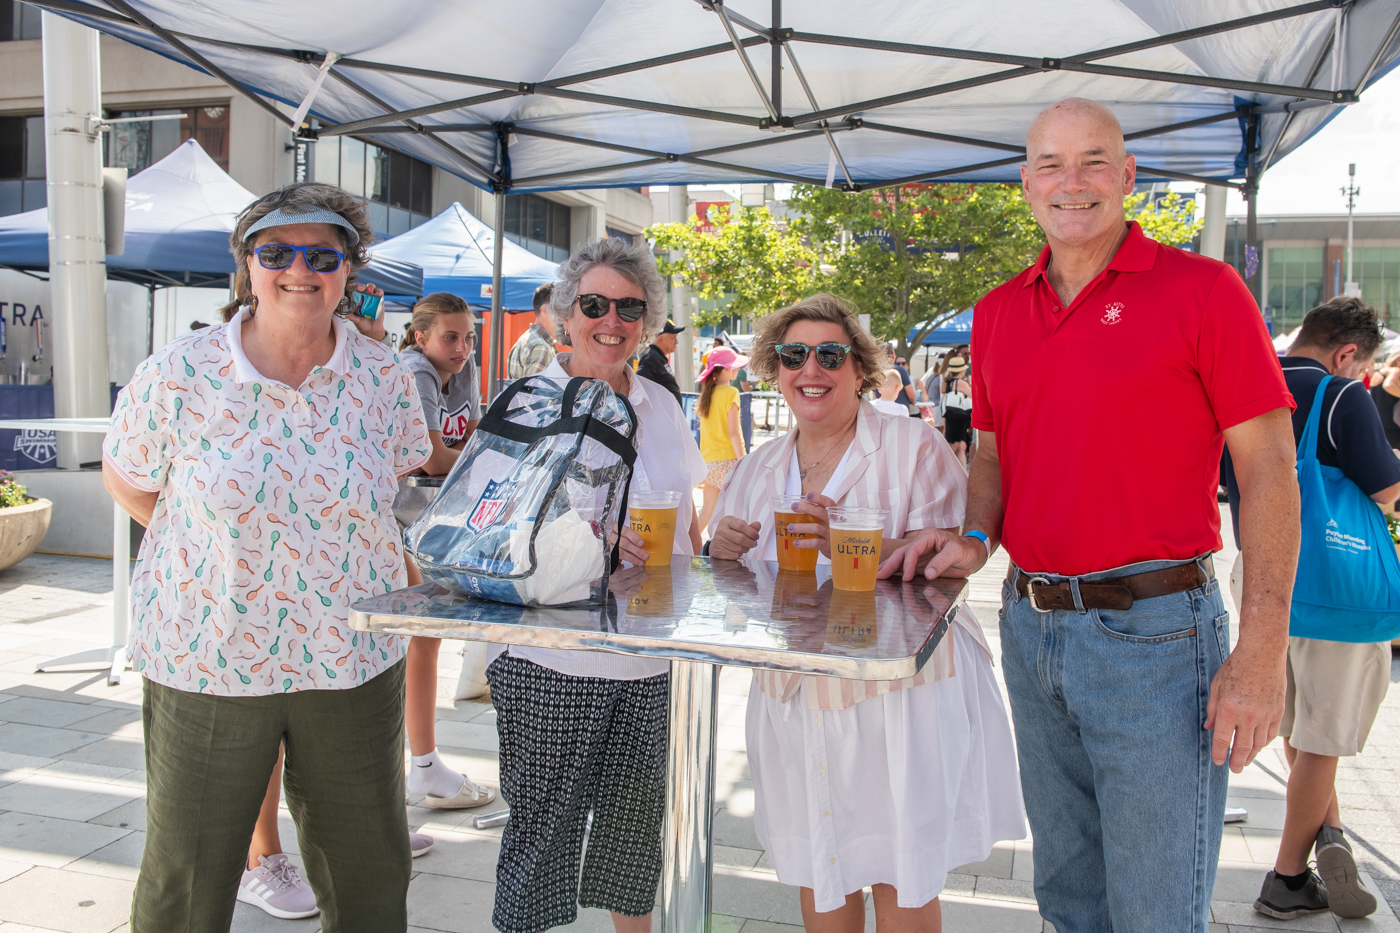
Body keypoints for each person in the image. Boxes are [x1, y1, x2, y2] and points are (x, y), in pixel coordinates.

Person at [881, 98, 1301, 933]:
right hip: (1032, 627)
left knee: (1155, 913)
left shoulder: (1204, 291)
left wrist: (1262, 652)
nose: (1071, 182)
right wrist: (974, 539)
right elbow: (993, 455)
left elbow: (1270, 470)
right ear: (1026, 183)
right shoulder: (998, 311)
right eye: (1050, 164)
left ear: (1128, 175)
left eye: (1093, 161)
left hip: (1158, 637)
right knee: (1069, 902)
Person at [103, 181, 433, 932]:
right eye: (276, 253)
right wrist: (213, 543)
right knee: (186, 877)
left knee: (369, 870)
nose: (300, 270)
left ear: (349, 270)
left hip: (349, 657)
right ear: (247, 266)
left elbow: (395, 479)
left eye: (323, 255)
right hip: (209, 655)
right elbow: (126, 478)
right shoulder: (180, 371)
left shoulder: (382, 375)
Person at [708, 294, 1024, 933]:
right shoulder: (759, 467)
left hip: (897, 700)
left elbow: (954, 559)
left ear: (860, 370)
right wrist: (722, 552)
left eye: (830, 355)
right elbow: (736, 597)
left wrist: (857, 544)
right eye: (794, 355)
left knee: (899, 873)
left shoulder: (912, 446)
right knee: (820, 869)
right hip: (795, 693)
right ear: (775, 368)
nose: (811, 369)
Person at [485, 236, 705, 933]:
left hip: (649, 659)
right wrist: (594, 541)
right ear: (565, 313)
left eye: (630, 308)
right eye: (595, 305)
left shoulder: (661, 403)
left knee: (633, 841)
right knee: (541, 839)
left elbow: (687, 518)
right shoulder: (529, 401)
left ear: (647, 320)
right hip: (551, 655)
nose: (612, 321)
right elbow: (492, 529)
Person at [1220, 297, 1400, 920]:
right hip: (1334, 585)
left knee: (1297, 724)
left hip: (1257, 576)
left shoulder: (1245, 379)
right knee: (1324, 737)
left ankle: (1331, 829)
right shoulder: (1342, 395)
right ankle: (1289, 878)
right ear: (1346, 353)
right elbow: (1387, 488)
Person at [392, 293, 496, 810]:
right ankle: (418, 766)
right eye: (451, 337)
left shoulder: (463, 368)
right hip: (389, 518)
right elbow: (433, 458)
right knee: (413, 636)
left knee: (425, 636)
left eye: (469, 337)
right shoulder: (415, 371)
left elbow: (473, 442)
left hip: (428, 520)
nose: (463, 347)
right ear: (420, 337)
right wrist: (493, 465)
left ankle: (422, 765)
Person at [696, 345, 749, 533]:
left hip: (710, 462)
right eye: (734, 366)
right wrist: (743, 460)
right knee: (736, 511)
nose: (737, 369)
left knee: (708, 511)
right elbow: (733, 432)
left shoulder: (707, 394)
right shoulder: (731, 392)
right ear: (725, 369)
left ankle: (688, 545)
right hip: (728, 461)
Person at [507, 282, 557, 378]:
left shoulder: (526, 339)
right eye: (559, 309)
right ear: (545, 310)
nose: (564, 316)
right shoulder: (541, 347)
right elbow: (533, 388)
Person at [636, 318, 686, 409]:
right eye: (673, 338)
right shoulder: (651, 358)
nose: (676, 341)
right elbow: (640, 387)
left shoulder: (657, 357)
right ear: (660, 338)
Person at [939, 356, 973, 467]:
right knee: (954, 446)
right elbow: (973, 395)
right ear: (962, 371)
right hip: (959, 418)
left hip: (952, 416)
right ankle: (943, 469)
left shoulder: (947, 382)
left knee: (961, 447)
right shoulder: (960, 382)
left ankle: (963, 473)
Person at [1369, 349, 1400, 450]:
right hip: (1393, 427)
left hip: (1379, 424)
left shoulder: (1378, 374)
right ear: (1398, 360)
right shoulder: (1395, 370)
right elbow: (1388, 385)